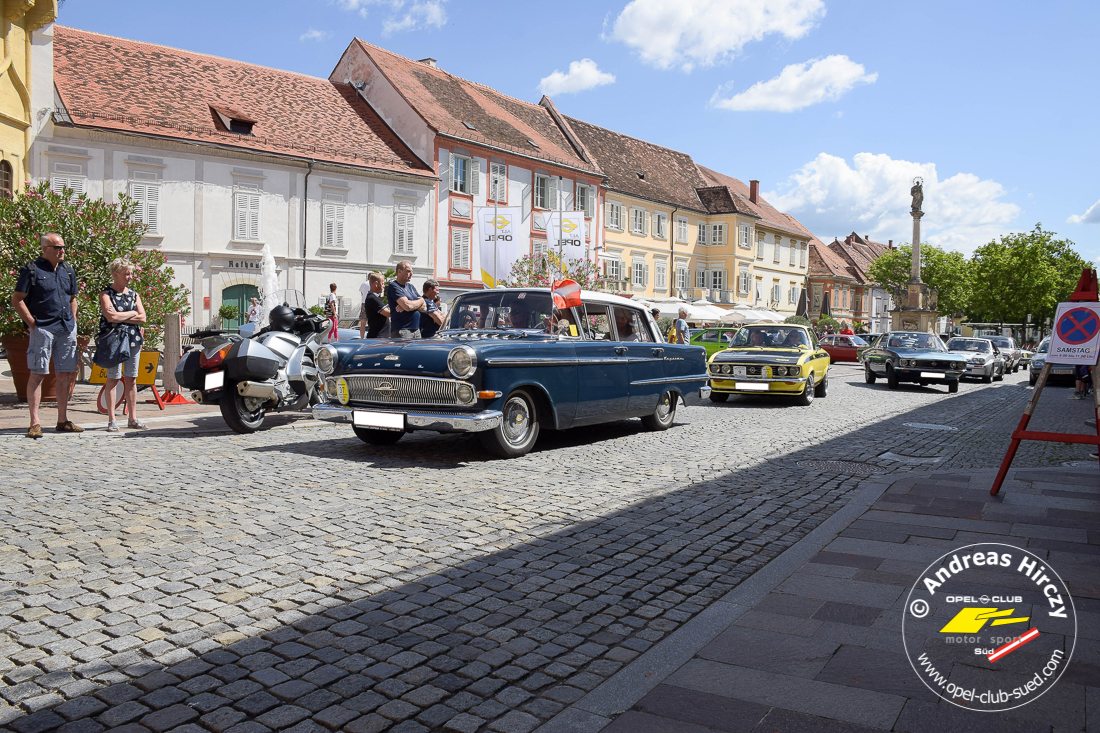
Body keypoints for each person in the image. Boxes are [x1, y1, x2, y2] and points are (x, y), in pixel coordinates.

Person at [12, 233, 82, 438]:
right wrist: (33, 324)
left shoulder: (68, 270)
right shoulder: (31, 270)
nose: (62, 250)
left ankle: (62, 420)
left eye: (63, 247)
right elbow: (17, 299)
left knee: (65, 374)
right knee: (37, 373)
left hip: (66, 328)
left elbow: (72, 298)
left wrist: (74, 321)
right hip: (43, 327)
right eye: (58, 247)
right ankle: (35, 423)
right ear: (45, 249)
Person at [98, 258, 148, 432]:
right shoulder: (106, 294)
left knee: (131, 379)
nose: (129, 277)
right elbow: (111, 317)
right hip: (113, 342)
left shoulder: (134, 294)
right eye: (126, 273)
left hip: (132, 340)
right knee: (112, 378)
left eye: (131, 273)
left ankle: (132, 418)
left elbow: (143, 318)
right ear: (115, 274)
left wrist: (123, 315)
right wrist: (132, 312)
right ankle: (112, 419)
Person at [386, 260, 426, 338]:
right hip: (402, 330)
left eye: (412, 271)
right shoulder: (394, 286)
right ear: (399, 271)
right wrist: (420, 301)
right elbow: (407, 306)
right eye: (408, 271)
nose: (411, 274)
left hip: (416, 330)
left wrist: (413, 303)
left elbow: (424, 308)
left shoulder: (411, 287)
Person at [361, 272, 390, 338]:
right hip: (378, 338)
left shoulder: (376, 297)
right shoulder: (372, 298)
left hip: (382, 337)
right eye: (382, 284)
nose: (384, 286)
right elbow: (388, 313)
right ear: (376, 284)